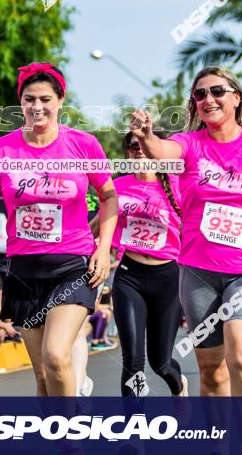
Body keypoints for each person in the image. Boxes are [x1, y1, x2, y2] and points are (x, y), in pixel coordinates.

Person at [131, 66, 242, 396]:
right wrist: (146, 137)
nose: (208, 98)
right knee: (211, 370)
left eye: (217, 91)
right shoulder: (190, 144)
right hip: (198, 273)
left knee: (241, 357)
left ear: (237, 98)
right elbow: (162, 151)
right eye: (200, 94)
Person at [0, 62, 118, 397]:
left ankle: (70, 439)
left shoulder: (83, 145)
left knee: (55, 355)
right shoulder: (1, 150)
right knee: (41, 377)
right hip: (23, 270)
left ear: (60, 101)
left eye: (45, 99)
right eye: (29, 99)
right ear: (20, 102)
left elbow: (109, 198)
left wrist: (103, 248)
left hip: (71, 266)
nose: (37, 106)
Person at [95, 130, 187, 396]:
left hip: (168, 277)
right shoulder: (117, 186)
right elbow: (100, 223)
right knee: (133, 361)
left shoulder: (178, 184)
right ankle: (133, 430)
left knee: (161, 364)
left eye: (145, 145)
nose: (139, 151)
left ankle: (179, 388)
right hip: (129, 275)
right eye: (133, 147)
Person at [89, 285, 115, 351]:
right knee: (102, 315)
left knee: (105, 313)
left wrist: (109, 308)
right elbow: (95, 307)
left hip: (93, 313)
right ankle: (96, 341)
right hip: (89, 314)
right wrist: (107, 307)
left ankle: (101, 339)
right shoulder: (97, 291)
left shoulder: (108, 291)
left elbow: (112, 307)